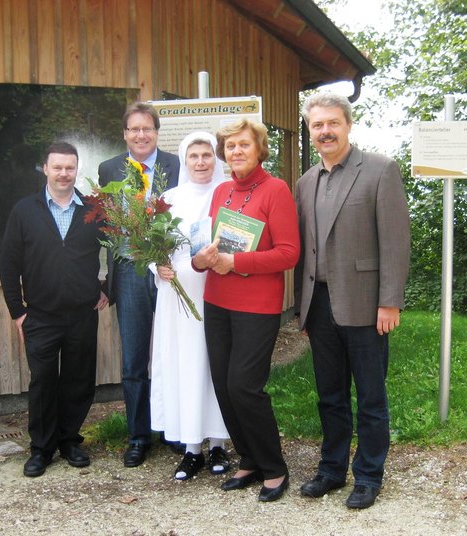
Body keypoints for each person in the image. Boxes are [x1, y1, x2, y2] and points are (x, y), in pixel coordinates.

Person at [295, 92, 411, 509]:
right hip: (320, 303)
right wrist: (301, 305)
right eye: (317, 125)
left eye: (332, 123)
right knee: (330, 395)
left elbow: (395, 242)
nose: (325, 131)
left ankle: (368, 475)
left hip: (365, 304)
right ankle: (331, 469)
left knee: (371, 395)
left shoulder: (380, 170)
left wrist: (390, 301)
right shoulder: (306, 181)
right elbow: (304, 249)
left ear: (347, 124)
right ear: (311, 131)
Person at [192, 119, 300, 502]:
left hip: (257, 305)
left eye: (243, 145)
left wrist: (235, 262)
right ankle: (250, 458)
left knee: (244, 385)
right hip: (217, 300)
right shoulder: (221, 190)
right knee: (223, 383)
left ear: (259, 149)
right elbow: (204, 247)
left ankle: (274, 467)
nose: (236, 151)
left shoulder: (276, 190)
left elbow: (289, 253)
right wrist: (201, 260)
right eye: (230, 146)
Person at [0, 141, 109, 478]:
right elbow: (8, 263)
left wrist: (108, 289)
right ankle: (41, 449)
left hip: (81, 313)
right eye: (57, 167)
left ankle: (70, 441)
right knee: (43, 382)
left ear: (77, 170)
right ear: (45, 169)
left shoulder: (94, 210)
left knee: (78, 379)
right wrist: (18, 311)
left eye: (70, 168)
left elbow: (120, 248)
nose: (64, 173)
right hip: (41, 316)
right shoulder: (25, 211)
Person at [98, 102, 180, 467]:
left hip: (168, 269)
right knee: (134, 358)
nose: (141, 135)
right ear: (125, 134)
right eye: (134, 129)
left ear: (157, 132)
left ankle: (176, 429)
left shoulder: (176, 165)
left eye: (147, 128)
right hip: (130, 270)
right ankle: (138, 436)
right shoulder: (108, 169)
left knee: (173, 353)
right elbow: (103, 226)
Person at [150, 131, 231, 481]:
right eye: (194, 156)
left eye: (207, 155)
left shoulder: (227, 194)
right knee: (185, 364)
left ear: (216, 159)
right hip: (178, 291)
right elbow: (153, 245)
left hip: (216, 288)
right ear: (185, 160)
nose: (201, 162)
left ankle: (218, 444)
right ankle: (191, 448)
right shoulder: (169, 198)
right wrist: (158, 267)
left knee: (214, 364)